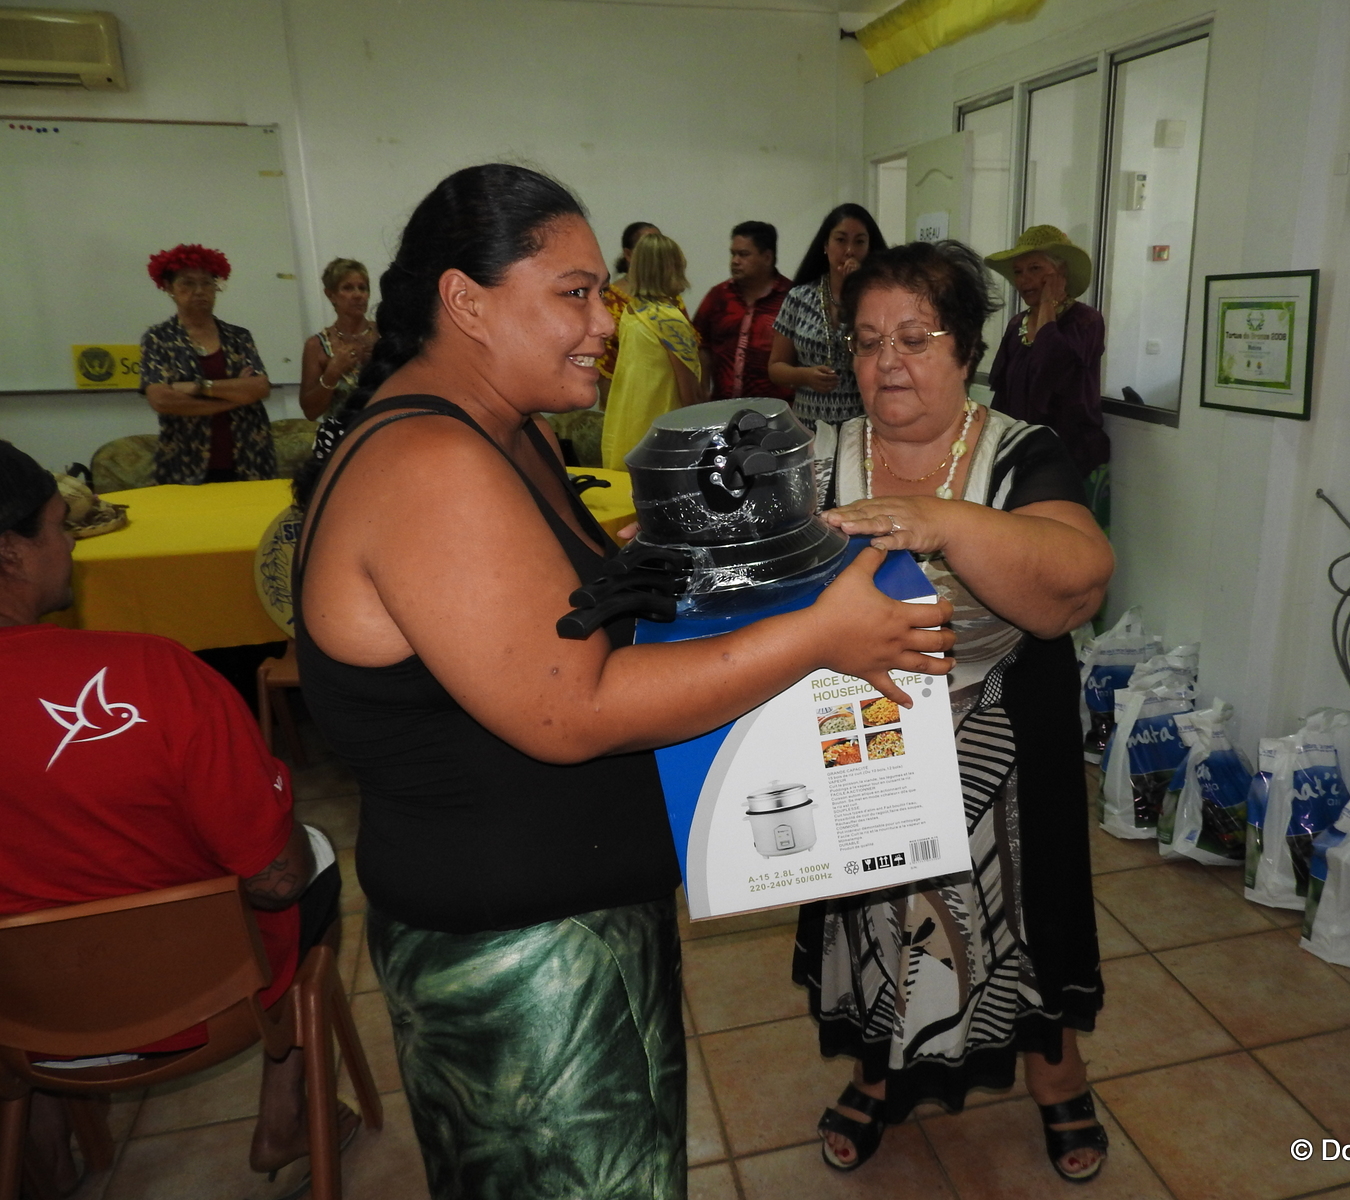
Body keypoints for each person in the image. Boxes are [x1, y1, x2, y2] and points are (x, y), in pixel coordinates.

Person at [291, 164, 953, 1200]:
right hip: (524, 951)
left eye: (601, 292)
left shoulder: (502, 429)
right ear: (466, 301)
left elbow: (546, 604)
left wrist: (665, 545)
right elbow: (571, 708)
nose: (606, 322)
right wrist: (821, 637)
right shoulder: (432, 463)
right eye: (575, 293)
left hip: (572, 916)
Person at [792, 240, 1117, 1183]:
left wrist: (944, 521)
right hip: (864, 743)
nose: (888, 361)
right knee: (873, 916)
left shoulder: (1021, 451)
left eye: (915, 338)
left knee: (1021, 919)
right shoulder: (816, 457)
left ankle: (1056, 1075)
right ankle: (875, 1070)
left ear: (966, 352)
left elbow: (1080, 583)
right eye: (867, 341)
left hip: (998, 745)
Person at [0, 440, 352, 1198]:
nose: (71, 546)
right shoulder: (150, 672)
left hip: (21, 1025)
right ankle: (285, 1116)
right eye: (60, 526)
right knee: (314, 858)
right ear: (11, 553)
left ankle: (41, 1152)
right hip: (199, 1007)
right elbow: (277, 880)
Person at [984, 226, 1111, 528]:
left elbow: (1052, 371)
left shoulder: (1086, 321)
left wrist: (1048, 308)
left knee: (1069, 542)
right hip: (1021, 455)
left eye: (1035, 269)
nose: (1024, 280)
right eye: (1018, 272)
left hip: (1072, 456)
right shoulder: (1017, 324)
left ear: (1060, 273)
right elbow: (1002, 393)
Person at [140, 244, 275, 485]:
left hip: (249, 457)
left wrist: (198, 387)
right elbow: (162, 400)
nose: (199, 291)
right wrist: (235, 398)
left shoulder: (239, 337)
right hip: (185, 462)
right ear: (169, 287)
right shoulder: (158, 338)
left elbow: (260, 387)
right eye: (188, 283)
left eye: (207, 283)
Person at [769, 204, 888, 427]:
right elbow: (776, 368)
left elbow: (883, 360)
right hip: (808, 423)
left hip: (860, 423)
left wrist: (858, 289)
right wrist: (805, 376)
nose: (849, 250)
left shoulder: (879, 300)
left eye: (859, 242)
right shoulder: (799, 297)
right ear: (826, 245)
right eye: (841, 240)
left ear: (870, 249)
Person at [600, 232, 705, 469]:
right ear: (672, 268)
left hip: (628, 427)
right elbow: (689, 396)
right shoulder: (669, 320)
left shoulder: (631, 311)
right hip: (662, 436)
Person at [692, 221, 793, 401]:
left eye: (743, 254)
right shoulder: (719, 296)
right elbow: (699, 343)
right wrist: (702, 387)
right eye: (733, 254)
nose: (735, 261)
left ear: (767, 257)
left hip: (774, 411)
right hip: (722, 408)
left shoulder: (792, 299)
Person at [299, 257, 377, 421]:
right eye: (347, 288)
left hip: (384, 428)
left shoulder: (384, 334)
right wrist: (332, 372)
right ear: (331, 295)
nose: (358, 295)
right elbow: (310, 412)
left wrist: (381, 358)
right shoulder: (317, 345)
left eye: (362, 288)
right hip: (342, 432)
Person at [596, 220, 660, 388]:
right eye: (647, 249)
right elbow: (604, 364)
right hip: (627, 394)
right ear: (628, 254)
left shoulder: (672, 298)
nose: (656, 256)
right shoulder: (609, 300)